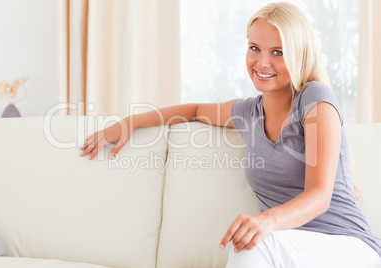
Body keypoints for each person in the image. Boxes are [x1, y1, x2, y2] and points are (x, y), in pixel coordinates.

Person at [80, 2, 381, 267]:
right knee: (254, 246)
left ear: (299, 55)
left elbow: (319, 196)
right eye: (254, 48)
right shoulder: (248, 113)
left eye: (278, 52)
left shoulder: (315, 99)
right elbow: (195, 109)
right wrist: (131, 121)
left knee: (252, 246)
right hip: (290, 251)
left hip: (348, 247)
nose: (262, 62)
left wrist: (267, 221)